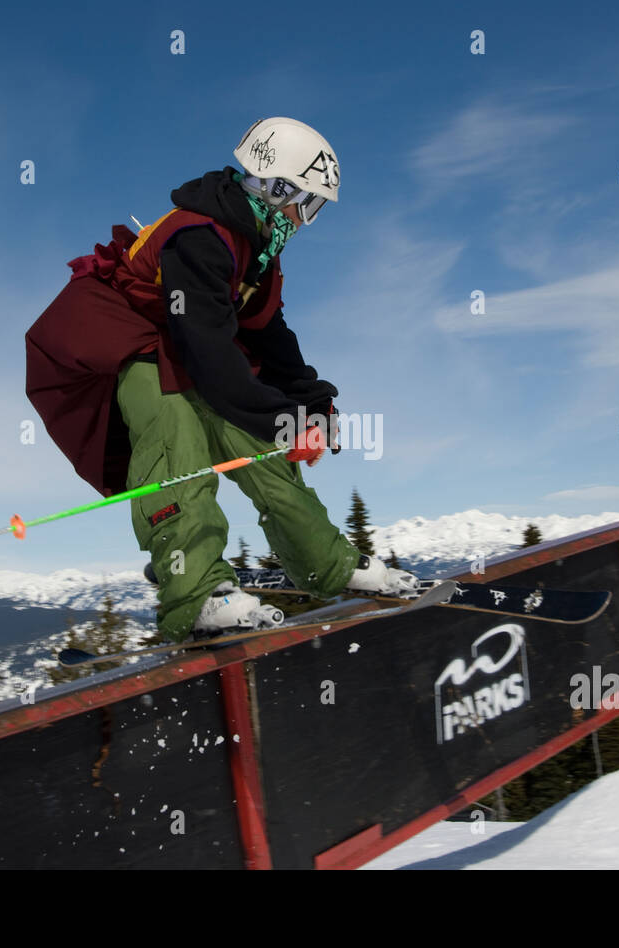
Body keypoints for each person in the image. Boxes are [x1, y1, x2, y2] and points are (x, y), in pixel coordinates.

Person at [25, 117, 417, 641]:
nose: (306, 219)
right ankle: (196, 592)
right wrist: (285, 416)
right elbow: (207, 350)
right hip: (129, 340)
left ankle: (328, 563)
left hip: (187, 341)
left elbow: (269, 334)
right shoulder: (200, 235)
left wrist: (309, 407)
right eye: (309, 203)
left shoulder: (256, 248)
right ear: (279, 188)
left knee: (258, 440)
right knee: (176, 433)